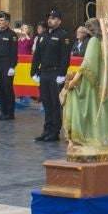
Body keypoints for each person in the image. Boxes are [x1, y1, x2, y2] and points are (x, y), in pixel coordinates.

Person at [31, 10, 74, 143]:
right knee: (46, 102)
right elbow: (37, 55)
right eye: (50, 18)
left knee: (55, 104)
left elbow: (65, 57)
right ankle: (47, 129)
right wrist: (33, 72)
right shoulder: (42, 36)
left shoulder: (63, 36)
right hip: (44, 73)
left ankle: (54, 132)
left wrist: (62, 74)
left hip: (55, 73)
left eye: (54, 18)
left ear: (59, 21)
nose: (50, 20)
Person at [0, 12, 19, 121]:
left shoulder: (11, 35)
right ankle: (3, 111)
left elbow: (14, 52)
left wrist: (12, 66)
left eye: (2, 21)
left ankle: (10, 112)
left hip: (7, 64)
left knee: (7, 89)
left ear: (7, 22)